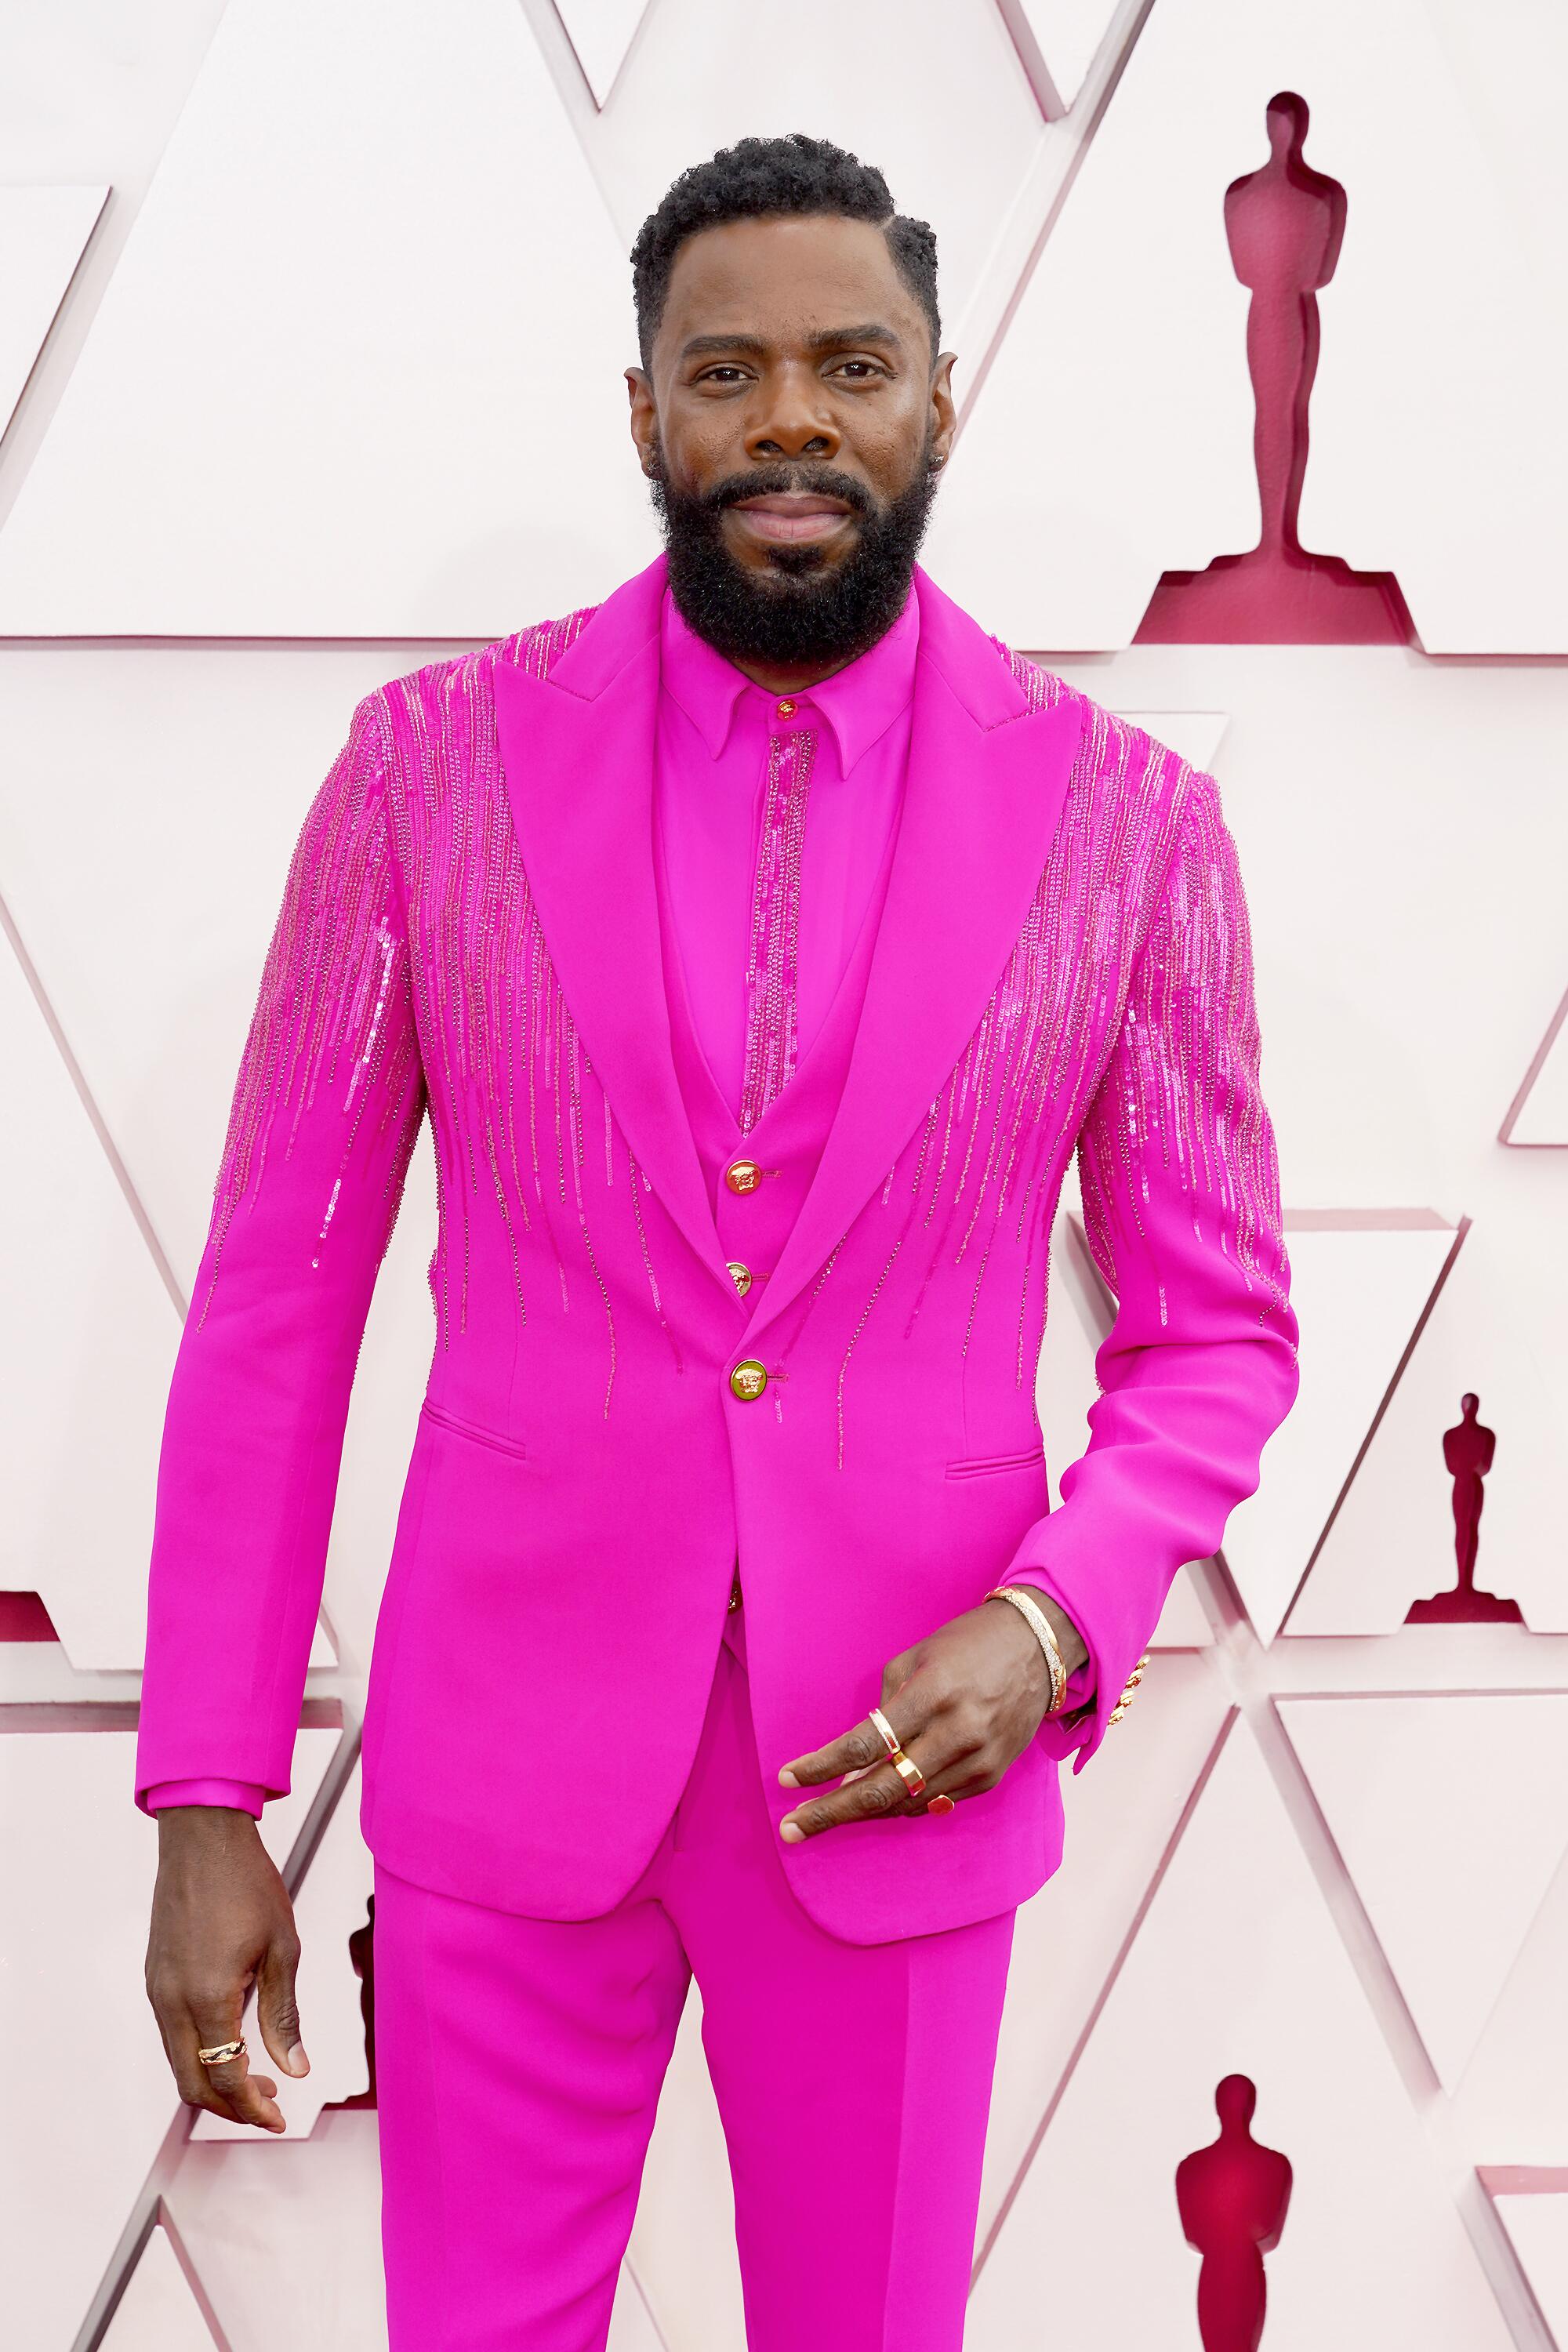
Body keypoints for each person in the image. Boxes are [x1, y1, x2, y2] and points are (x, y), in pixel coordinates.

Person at [138, 133, 1300, 2351]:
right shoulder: (425, 777)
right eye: (728, 370)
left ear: (938, 403)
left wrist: (1056, 1624)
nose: (791, 419)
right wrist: (210, 1797)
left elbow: (1217, 1332)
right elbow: (279, 1302)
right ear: (647, 412)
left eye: (851, 366)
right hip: (505, 1761)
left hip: (902, 1755)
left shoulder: (1131, 832)